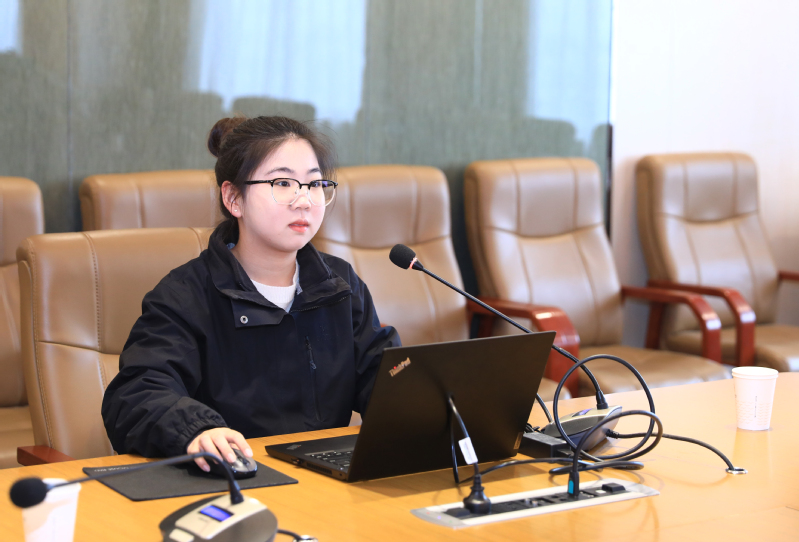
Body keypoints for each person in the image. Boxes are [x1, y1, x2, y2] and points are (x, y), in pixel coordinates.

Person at [102, 116, 400, 472]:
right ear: (234, 198)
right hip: (231, 479)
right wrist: (197, 430)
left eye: (314, 183)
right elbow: (135, 394)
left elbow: (383, 380)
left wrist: (427, 401)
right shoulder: (186, 294)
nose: (304, 200)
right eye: (283, 183)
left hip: (325, 479)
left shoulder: (339, 285)